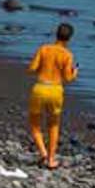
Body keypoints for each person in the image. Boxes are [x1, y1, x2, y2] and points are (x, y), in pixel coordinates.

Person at [27, 21, 78, 170]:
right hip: (56, 90)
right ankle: (51, 159)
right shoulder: (67, 55)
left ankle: (43, 153)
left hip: (41, 87)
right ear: (69, 38)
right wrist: (75, 73)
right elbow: (68, 78)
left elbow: (31, 68)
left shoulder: (44, 49)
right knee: (54, 125)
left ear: (56, 34)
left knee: (35, 124)